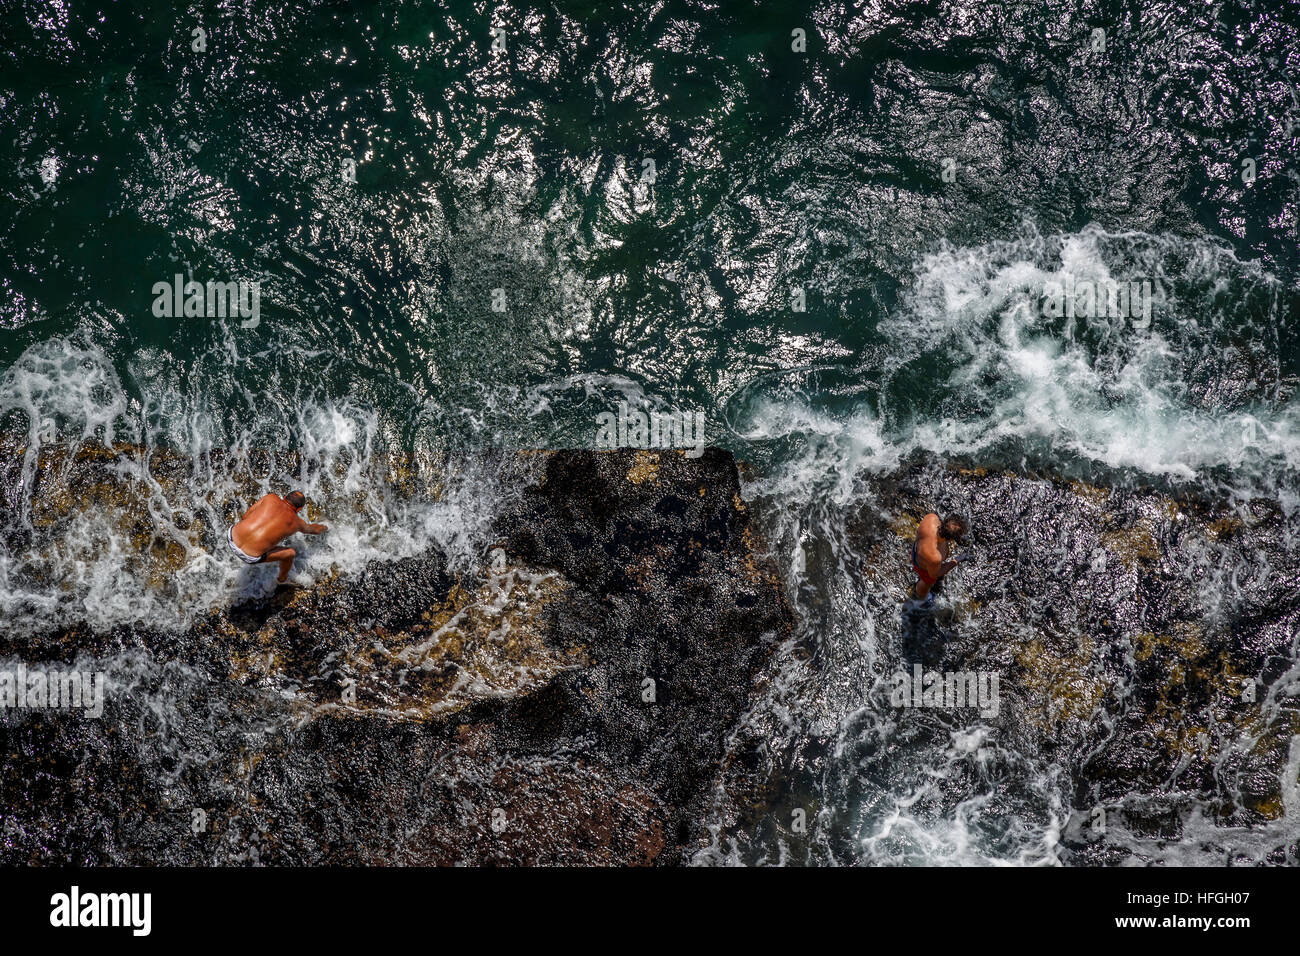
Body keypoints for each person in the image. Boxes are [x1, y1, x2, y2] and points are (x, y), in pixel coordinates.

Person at [225, 490, 327, 584]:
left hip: (231, 535)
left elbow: (245, 516)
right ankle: (282, 579)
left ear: (285, 496)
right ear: (299, 509)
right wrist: (325, 527)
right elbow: (313, 530)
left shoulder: (270, 498)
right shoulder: (297, 522)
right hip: (249, 557)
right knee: (290, 553)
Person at [910, 512, 970, 604]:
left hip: (917, 548)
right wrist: (957, 560)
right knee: (927, 583)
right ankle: (920, 598)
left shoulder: (932, 518)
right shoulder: (935, 556)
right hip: (923, 567)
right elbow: (935, 574)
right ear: (951, 539)